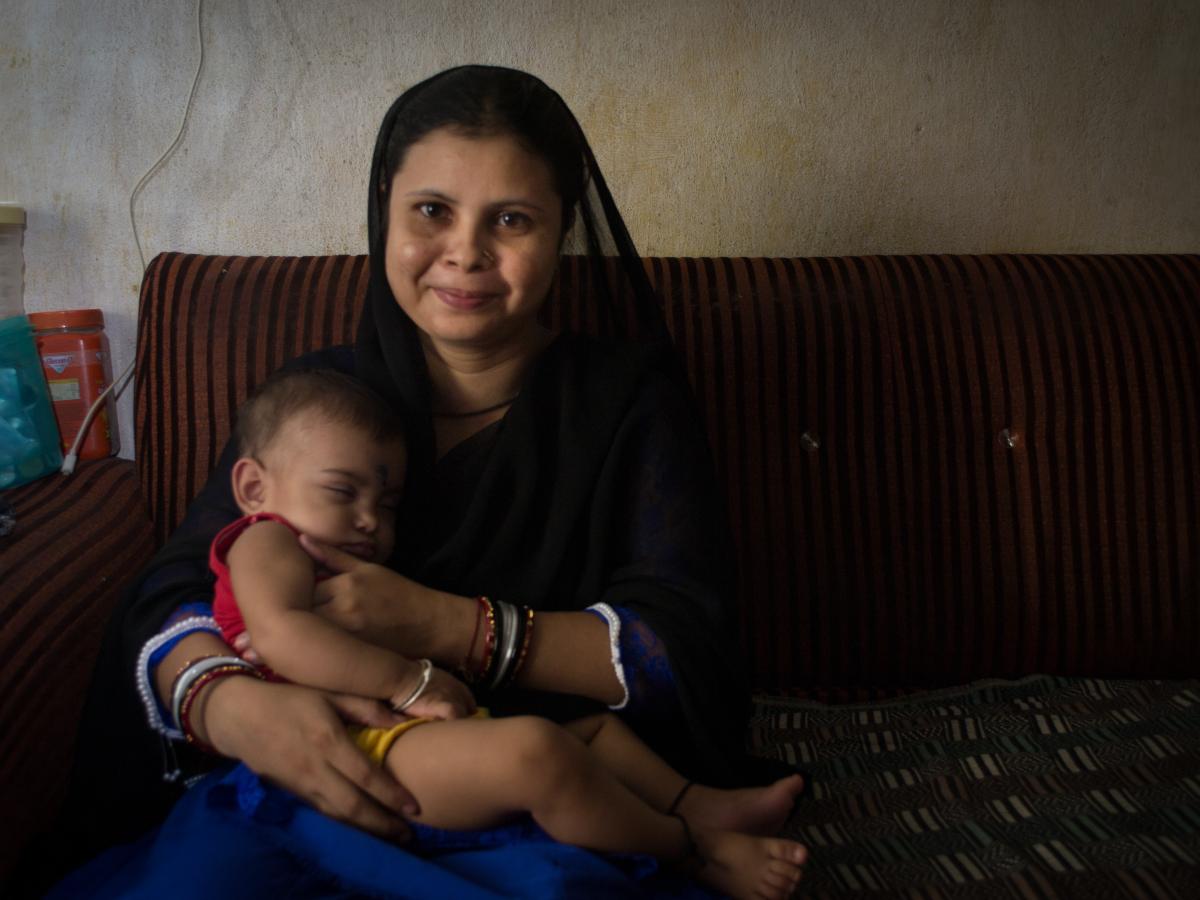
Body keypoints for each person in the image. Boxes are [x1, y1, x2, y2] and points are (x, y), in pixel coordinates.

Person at [41, 65, 807, 897]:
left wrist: (450, 627)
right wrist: (236, 711)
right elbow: (180, 585)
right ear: (385, 209)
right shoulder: (317, 407)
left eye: (511, 219)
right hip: (308, 776)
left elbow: (682, 651)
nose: (466, 252)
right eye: (432, 211)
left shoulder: (627, 402)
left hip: (535, 795)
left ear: (561, 230)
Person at [197, 366, 806, 899]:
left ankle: (697, 801)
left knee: (595, 731)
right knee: (540, 756)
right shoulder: (267, 538)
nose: (368, 519)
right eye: (342, 491)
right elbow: (280, 636)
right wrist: (412, 681)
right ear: (254, 488)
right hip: (350, 750)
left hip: (403, 732)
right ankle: (695, 850)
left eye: (387, 504)